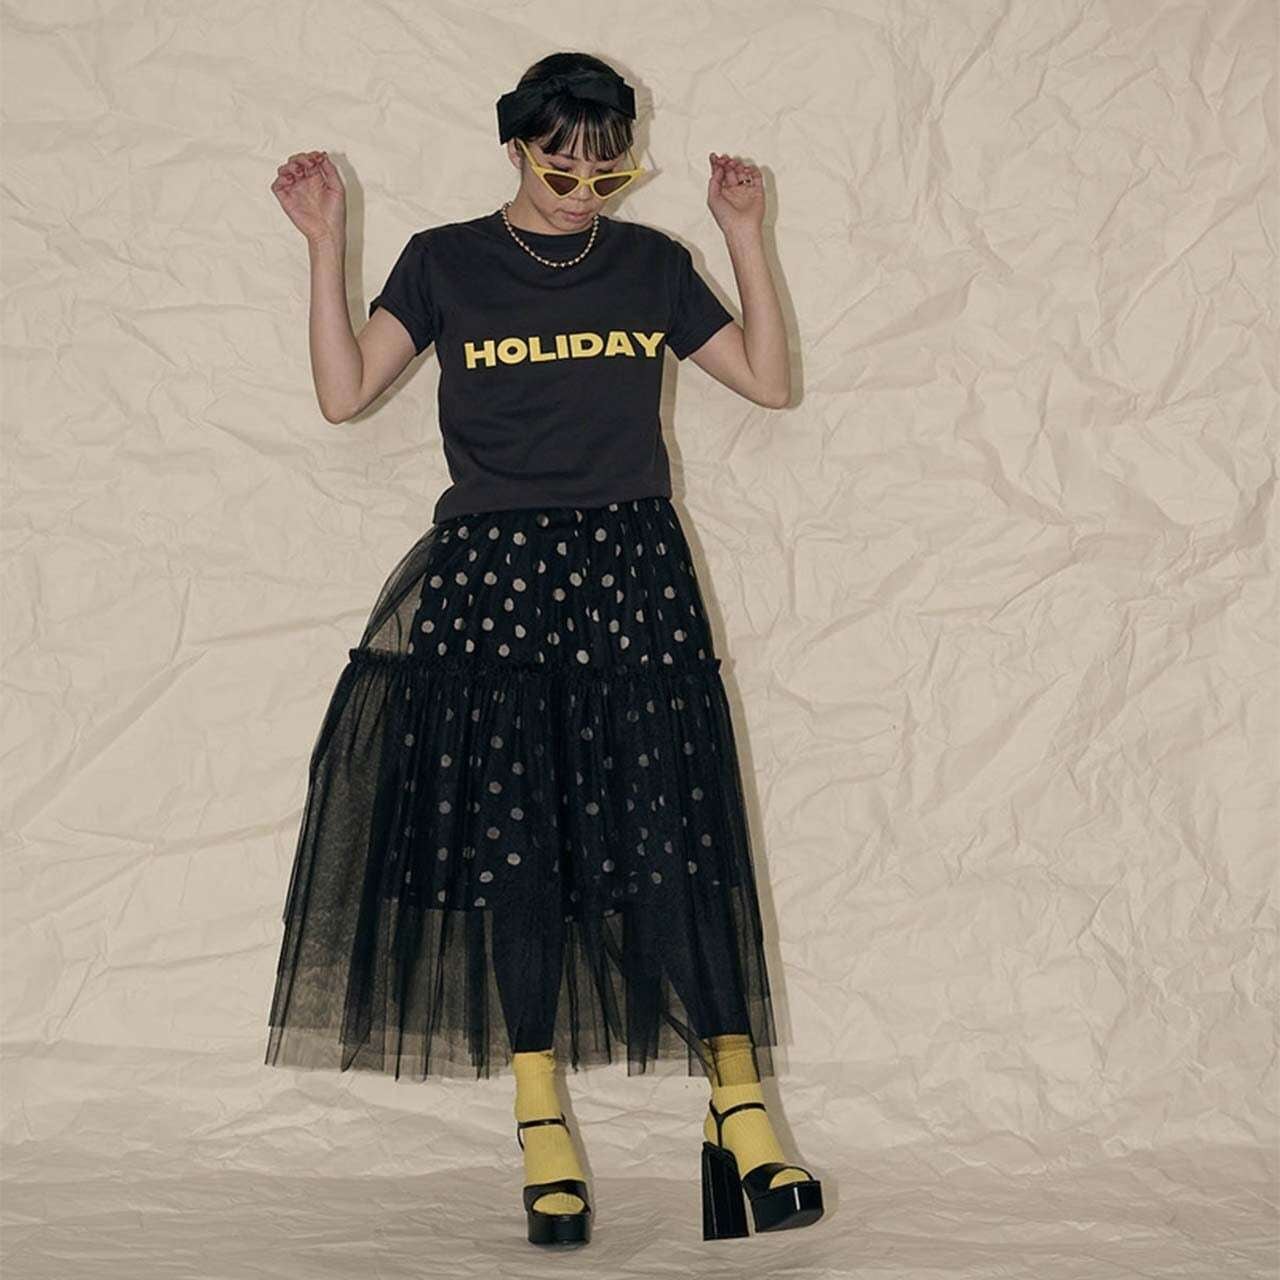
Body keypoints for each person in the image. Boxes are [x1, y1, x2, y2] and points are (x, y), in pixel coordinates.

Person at [264, 50, 824, 1247]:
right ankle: (540, 1120)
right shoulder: (446, 262)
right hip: (495, 577)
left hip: (632, 570)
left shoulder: (649, 265)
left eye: (606, 170)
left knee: (669, 833)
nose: (582, 191)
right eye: (560, 167)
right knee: (515, 850)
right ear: (515, 146)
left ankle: (738, 1101)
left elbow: (767, 380)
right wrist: (325, 244)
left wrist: (744, 233)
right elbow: (344, 392)